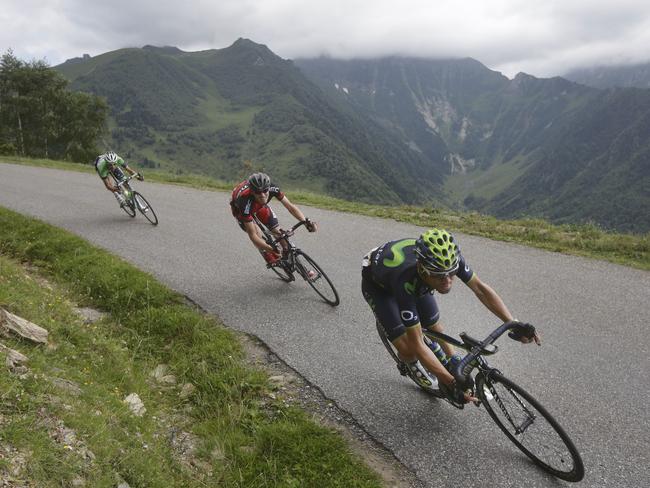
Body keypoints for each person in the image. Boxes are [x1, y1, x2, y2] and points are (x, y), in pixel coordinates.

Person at [361, 228, 540, 404]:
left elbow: (481, 289)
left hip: (412, 273)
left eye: (451, 274)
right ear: (423, 269)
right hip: (379, 287)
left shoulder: (448, 261)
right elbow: (417, 344)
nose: (447, 282)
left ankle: (452, 358)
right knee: (409, 348)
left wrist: (514, 323)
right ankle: (410, 364)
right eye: (439, 276)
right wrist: (452, 383)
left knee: (435, 326)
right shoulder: (405, 282)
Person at [230, 172, 317, 265]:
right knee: (257, 232)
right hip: (241, 210)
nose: (262, 195)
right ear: (252, 192)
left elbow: (290, 207)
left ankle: (292, 259)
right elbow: (253, 236)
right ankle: (266, 254)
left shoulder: (273, 188)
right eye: (258, 192)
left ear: (268, 188)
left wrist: (305, 222)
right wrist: (269, 249)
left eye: (265, 190)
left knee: (278, 231)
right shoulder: (244, 202)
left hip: (259, 206)